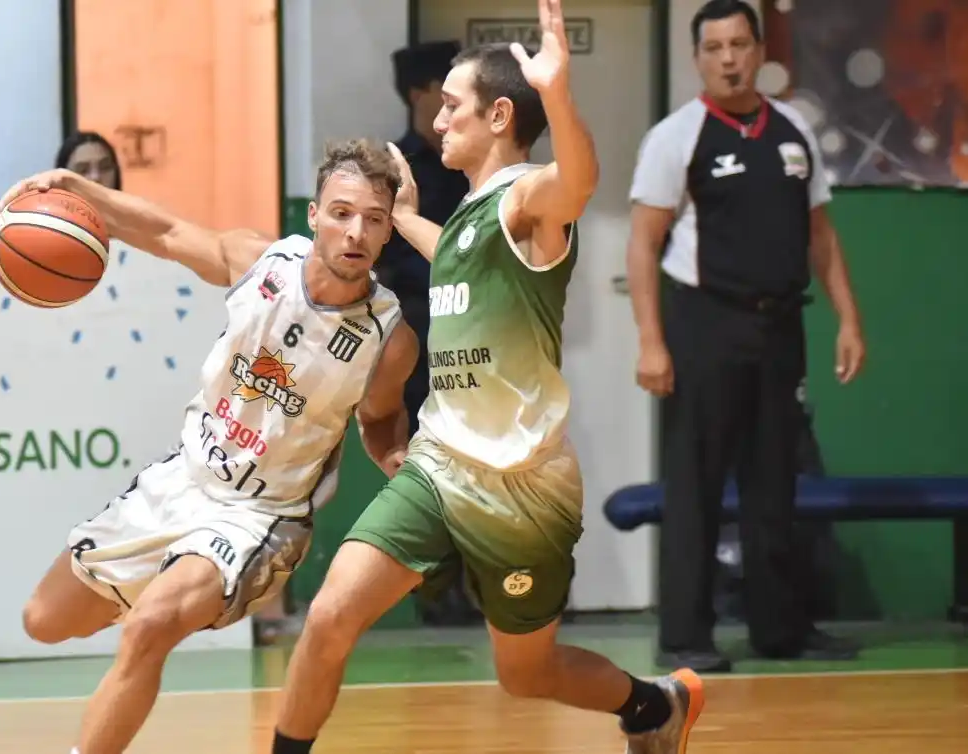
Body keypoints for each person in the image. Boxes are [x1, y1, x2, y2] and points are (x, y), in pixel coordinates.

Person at [270, 4, 704, 754]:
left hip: (522, 489)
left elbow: (578, 182)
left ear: (499, 116)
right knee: (332, 613)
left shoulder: (530, 198)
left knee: (524, 674)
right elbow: (458, 258)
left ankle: (651, 704)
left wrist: (558, 94)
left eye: (451, 106)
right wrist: (405, 216)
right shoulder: (473, 215)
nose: (437, 120)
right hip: (439, 466)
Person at [0, 138, 419, 754]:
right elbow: (166, 232)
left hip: (260, 516)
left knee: (149, 629)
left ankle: (171, 608)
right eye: (342, 213)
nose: (355, 232)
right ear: (314, 215)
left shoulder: (388, 338)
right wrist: (75, 187)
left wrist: (393, 456)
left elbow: (380, 420)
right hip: (182, 481)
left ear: (387, 232)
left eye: (374, 220)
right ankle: (163, 589)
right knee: (44, 621)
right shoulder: (262, 264)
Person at [624, 0, 865, 673]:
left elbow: (821, 235)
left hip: (780, 325)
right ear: (697, 58)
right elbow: (642, 245)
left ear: (758, 52)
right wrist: (651, 341)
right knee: (695, 483)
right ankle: (685, 636)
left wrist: (848, 318)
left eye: (738, 45)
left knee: (775, 479)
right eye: (714, 48)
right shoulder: (676, 137)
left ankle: (780, 630)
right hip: (705, 323)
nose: (728, 59)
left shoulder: (794, 132)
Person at [381, 39, 477, 628]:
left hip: (477, 329)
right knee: (426, 461)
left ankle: (492, 586)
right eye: (440, 94)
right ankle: (436, 589)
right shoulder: (398, 169)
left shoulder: (469, 161)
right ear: (418, 94)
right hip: (419, 334)